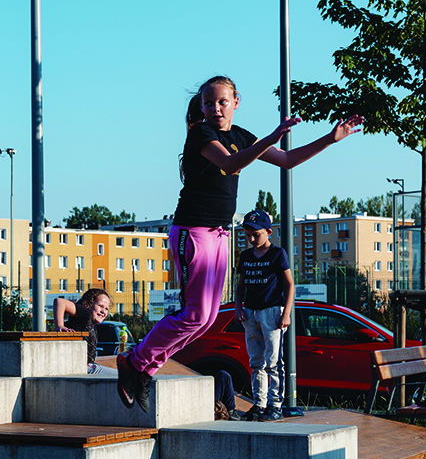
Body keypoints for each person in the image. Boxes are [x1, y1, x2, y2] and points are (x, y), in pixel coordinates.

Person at [116, 75, 362, 413]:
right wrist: (272, 137)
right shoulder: (202, 134)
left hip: (219, 234)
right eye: (208, 103)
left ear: (236, 102)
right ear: (201, 107)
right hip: (193, 232)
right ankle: (135, 361)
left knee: (207, 318)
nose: (215, 109)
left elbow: (287, 161)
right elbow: (231, 163)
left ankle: (142, 368)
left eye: (221, 102)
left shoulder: (242, 136)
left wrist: (331, 139)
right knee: (195, 313)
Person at [236, 208, 295, 421]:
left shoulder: (277, 254)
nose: (252, 239)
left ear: (268, 232)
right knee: (256, 362)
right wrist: (238, 307)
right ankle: (259, 404)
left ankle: (276, 405)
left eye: (256, 234)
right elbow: (240, 285)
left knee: (273, 361)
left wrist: (286, 313)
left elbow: (289, 284)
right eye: (248, 235)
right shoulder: (245, 256)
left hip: (272, 312)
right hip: (251, 313)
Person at [54, 288, 114, 374]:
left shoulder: (90, 322)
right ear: (86, 304)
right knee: (123, 376)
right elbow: (59, 302)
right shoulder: (86, 315)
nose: (103, 311)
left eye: (106, 309)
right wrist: (60, 325)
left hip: (84, 366)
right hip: (83, 367)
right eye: (100, 306)